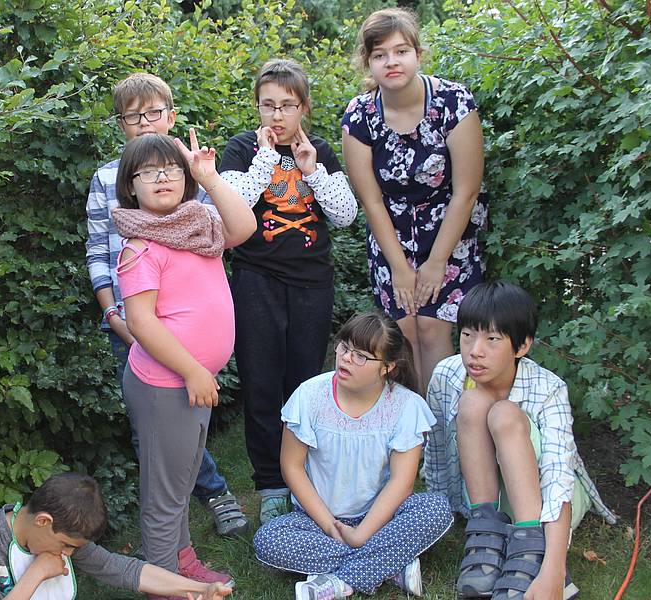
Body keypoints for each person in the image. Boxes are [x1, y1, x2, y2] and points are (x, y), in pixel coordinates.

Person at [85, 72, 249, 538]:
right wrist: (116, 317)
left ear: (171, 117)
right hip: (135, 324)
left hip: (188, 338)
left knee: (186, 424)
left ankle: (182, 531)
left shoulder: (187, 173)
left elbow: (232, 229)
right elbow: (99, 254)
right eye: (132, 116)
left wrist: (205, 175)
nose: (144, 123)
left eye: (153, 112)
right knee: (155, 430)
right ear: (121, 125)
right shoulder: (108, 181)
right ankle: (181, 522)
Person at [113, 131, 255, 597]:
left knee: (181, 481)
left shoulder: (196, 226)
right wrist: (193, 370)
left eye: (171, 168)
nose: (163, 177)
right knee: (164, 496)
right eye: (149, 171)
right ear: (130, 185)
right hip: (166, 384)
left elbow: (244, 227)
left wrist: (209, 177)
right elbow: (141, 321)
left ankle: (181, 562)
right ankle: (163, 585)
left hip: (193, 382)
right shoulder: (141, 247)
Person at [218, 59, 358, 524]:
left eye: (287, 105)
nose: (277, 116)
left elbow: (345, 216)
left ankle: (303, 473)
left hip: (312, 283)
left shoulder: (320, 151)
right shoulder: (241, 149)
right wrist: (264, 160)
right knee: (260, 381)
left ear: (303, 107)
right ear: (257, 107)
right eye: (268, 105)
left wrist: (312, 171)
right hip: (256, 279)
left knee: (305, 382)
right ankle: (270, 484)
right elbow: (234, 206)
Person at [424, 282, 616, 599]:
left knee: (504, 414)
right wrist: (442, 513)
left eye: (492, 339)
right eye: (467, 334)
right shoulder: (447, 375)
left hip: (545, 501)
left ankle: (531, 546)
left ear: (522, 346)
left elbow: (557, 478)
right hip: (483, 494)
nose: (475, 350)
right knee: (472, 402)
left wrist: (553, 569)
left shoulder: (548, 388)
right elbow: (437, 451)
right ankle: (486, 534)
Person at [253, 311, 452, 599]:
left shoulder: (406, 406)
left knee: (435, 508)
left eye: (360, 356)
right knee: (269, 538)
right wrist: (329, 525)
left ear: (387, 367)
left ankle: (339, 582)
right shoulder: (309, 395)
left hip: (382, 518)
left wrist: (362, 534)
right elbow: (291, 467)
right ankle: (390, 564)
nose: (346, 358)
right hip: (316, 520)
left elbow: (402, 483)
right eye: (344, 348)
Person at [341, 8, 489, 395]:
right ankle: (412, 426)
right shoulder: (359, 115)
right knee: (404, 332)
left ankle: (445, 424)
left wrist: (437, 262)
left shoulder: (453, 102)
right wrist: (399, 268)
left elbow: (467, 191)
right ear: (368, 62)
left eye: (401, 51)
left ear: (418, 54)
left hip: (449, 232)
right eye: (380, 54)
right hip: (390, 236)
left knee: (434, 328)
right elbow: (371, 201)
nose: (392, 62)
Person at [0, 472, 233, 600]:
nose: (69, 554)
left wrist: (198, 589)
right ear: (43, 521)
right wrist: (36, 573)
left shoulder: (61, 535)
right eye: (67, 546)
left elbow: (119, 568)